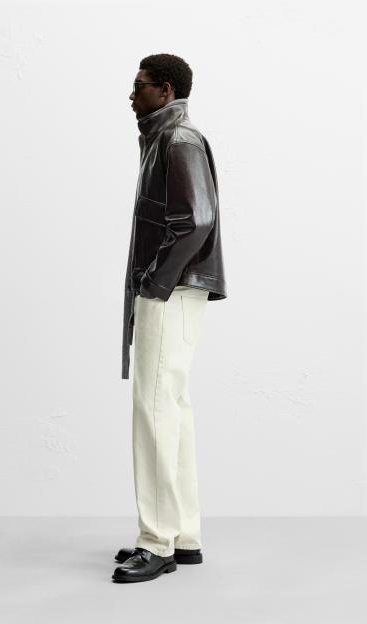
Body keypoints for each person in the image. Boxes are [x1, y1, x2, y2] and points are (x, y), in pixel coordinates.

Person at [112, 53, 227, 583]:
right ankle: (183, 536)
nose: (130, 94)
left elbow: (196, 220)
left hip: (171, 293)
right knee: (172, 411)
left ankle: (156, 541)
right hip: (177, 293)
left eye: (138, 86)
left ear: (166, 89)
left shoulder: (177, 140)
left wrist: (155, 283)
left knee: (155, 412)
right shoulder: (166, 138)